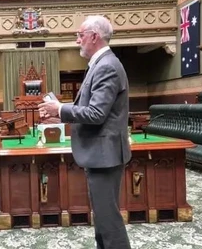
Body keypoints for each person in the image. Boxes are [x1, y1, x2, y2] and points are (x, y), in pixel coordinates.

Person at [38, 15, 132, 249]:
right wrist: (59, 115)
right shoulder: (100, 65)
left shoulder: (107, 66)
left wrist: (60, 108)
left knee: (109, 221)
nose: (77, 40)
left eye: (80, 35)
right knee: (102, 219)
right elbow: (94, 114)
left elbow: (96, 114)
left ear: (94, 36)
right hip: (101, 154)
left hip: (105, 155)